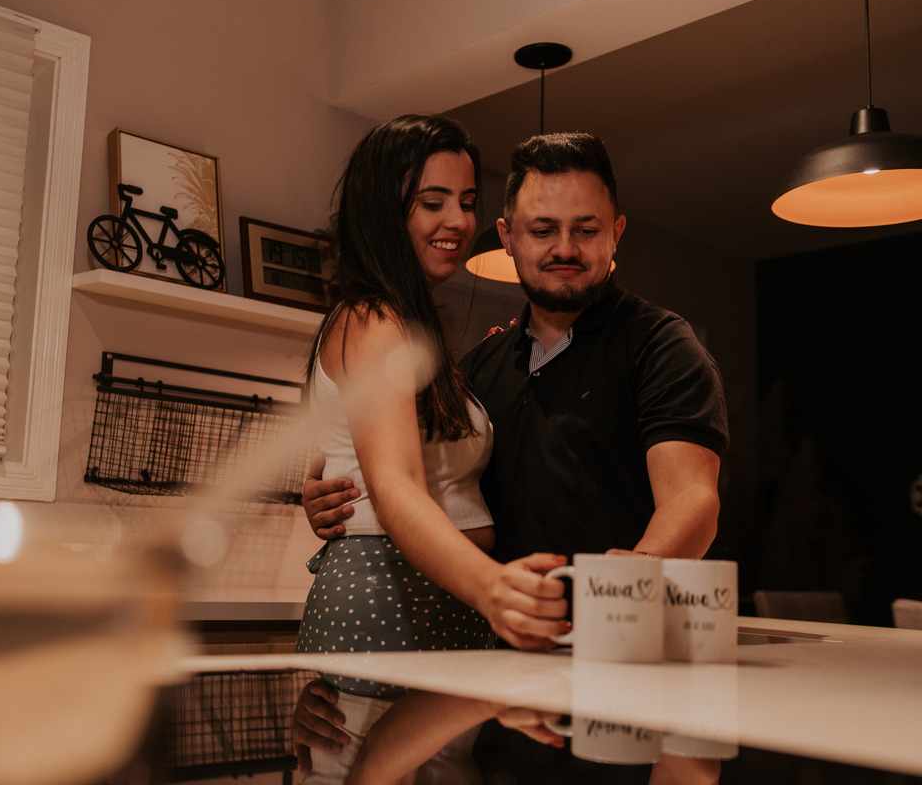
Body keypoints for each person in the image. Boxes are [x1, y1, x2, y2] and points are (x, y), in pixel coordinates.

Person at [295, 131, 729, 779]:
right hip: (492, 669)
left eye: (585, 229)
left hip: (615, 669)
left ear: (617, 231)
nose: (563, 248)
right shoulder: (479, 363)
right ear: (509, 236)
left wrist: (628, 584)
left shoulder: (661, 343)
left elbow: (694, 495)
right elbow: (401, 481)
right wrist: (335, 496)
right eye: (543, 228)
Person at [292, 114, 568, 784]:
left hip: (421, 602)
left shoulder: (401, 326)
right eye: (431, 201)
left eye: (468, 202)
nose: (456, 221)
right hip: (395, 600)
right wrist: (495, 587)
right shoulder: (377, 319)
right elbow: (395, 489)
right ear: (386, 209)